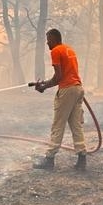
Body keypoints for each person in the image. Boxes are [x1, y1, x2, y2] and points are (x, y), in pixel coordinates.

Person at [32, 28, 87, 171]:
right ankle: (82, 158)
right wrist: (44, 83)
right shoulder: (69, 49)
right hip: (77, 88)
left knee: (58, 124)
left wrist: (44, 87)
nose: (47, 43)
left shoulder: (55, 51)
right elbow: (66, 74)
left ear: (55, 39)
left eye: (48, 39)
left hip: (67, 90)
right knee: (76, 125)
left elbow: (59, 77)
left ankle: (49, 159)